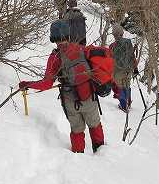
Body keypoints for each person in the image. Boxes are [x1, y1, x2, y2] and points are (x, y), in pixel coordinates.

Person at [19, 20, 105, 153]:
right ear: (68, 34)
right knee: (95, 126)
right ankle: (102, 155)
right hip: (89, 97)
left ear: (53, 37)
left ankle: (78, 157)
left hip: (71, 101)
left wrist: (28, 84)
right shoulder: (81, 49)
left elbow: (46, 84)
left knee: (77, 130)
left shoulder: (55, 57)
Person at [110, 24, 134, 112]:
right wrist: (134, 68)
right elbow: (132, 56)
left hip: (117, 70)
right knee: (127, 85)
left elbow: (110, 59)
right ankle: (128, 102)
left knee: (119, 87)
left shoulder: (112, 46)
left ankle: (124, 105)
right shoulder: (128, 42)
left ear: (114, 34)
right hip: (128, 69)